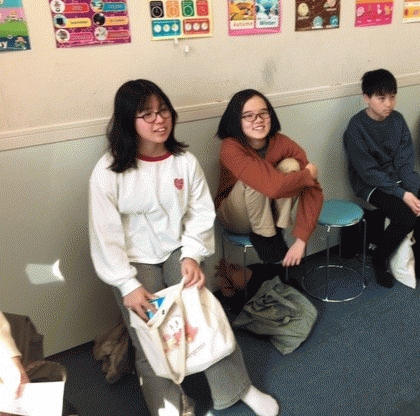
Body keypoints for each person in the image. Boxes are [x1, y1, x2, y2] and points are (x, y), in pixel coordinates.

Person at [89, 80, 279, 416]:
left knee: (203, 315)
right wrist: (126, 284)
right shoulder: (108, 171)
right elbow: (104, 234)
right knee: (150, 334)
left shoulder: (184, 161)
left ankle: (238, 387)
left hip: (178, 249)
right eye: (147, 114)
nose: (159, 120)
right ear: (128, 121)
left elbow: (200, 213)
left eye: (163, 110)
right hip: (132, 262)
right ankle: (172, 407)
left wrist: (192, 254)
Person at [343, 69, 420, 288]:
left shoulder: (397, 120)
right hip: (370, 184)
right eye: (381, 98)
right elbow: (368, 171)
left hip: (399, 180)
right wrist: (403, 195)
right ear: (366, 98)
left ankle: (415, 256)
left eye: (392, 97)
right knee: (406, 218)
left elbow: (405, 161)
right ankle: (379, 259)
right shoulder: (356, 127)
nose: (388, 104)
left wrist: (411, 192)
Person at [215, 89, 323, 268]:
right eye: (248, 116)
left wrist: (301, 240)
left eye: (263, 113)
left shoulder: (281, 142)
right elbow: (273, 187)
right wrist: (308, 174)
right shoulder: (230, 147)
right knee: (256, 180)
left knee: (291, 165)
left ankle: (277, 229)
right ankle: (266, 236)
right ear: (236, 120)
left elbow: (312, 189)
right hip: (236, 216)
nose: (258, 120)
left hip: (268, 211)